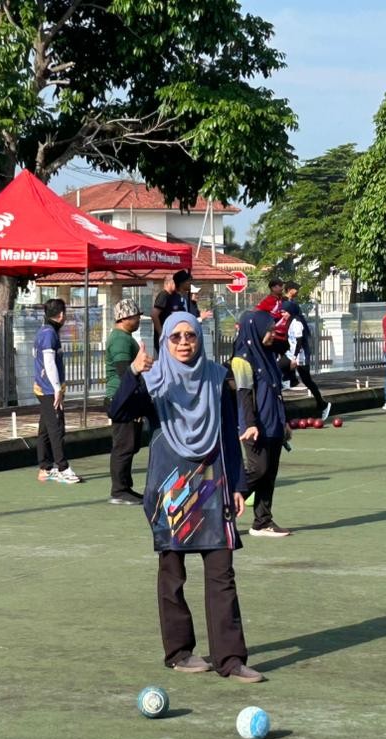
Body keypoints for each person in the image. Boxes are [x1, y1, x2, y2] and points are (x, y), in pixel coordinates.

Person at [108, 311, 265, 683]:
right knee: (173, 572)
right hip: (170, 486)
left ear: (199, 338)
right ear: (165, 341)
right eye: (175, 336)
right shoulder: (155, 380)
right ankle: (179, 652)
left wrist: (238, 485)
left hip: (211, 481)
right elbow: (119, 410)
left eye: (190, 335)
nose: (183, 343)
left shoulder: (216, 377)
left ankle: (230, 658)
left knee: (222, 570)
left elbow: (228, 434)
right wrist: (134, 373)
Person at [232, 309, 292, 538]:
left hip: (273, 422)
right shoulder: (242, 359)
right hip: (254, 426)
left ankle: (262, 521)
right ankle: (223, 506)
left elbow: (277, 391)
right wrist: (249, 424)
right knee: (259, 469)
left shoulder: (267, 355)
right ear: (255, 331)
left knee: (270, 473)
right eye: (269, 330)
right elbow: (244, 394)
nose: (272, 334)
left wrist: (284, 422)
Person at [34, 298, 82, 483]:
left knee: (46, 429)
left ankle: (45, 467)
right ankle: (63, 467)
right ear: (61, 315)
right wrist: (56, 389)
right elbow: (49, 362)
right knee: (56, 428)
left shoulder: (44, 331)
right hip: (48, 390)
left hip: (43, 388)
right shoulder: (49, 334)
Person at [105, 299, 145, 505]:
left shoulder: (124, 337)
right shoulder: (120, 340)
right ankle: (119, 490)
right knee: (124, 445)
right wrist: (136, 395)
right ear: (124, 318)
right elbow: (124, 371)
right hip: (121, 398)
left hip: (125, 397)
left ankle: (125, 487)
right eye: (135, 316)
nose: (138, 319)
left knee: (129, 444)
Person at [282, 281, 330, 419]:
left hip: (299, 354)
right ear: (289, 290)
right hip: (291, 353)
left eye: (284, 312)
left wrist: (294, 358)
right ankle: (289, 380)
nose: (282, 314)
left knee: (307, 380)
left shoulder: (297, 322)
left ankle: (322, 404)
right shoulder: (286, 307)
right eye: (295, 289)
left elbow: (299, 341)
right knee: (279, 370)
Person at [151, 271, 210, 351]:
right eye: (187, 281)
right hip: (168, 338)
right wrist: (161, 332)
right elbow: (154, 314)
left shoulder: (179, 297)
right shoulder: (164, 295)